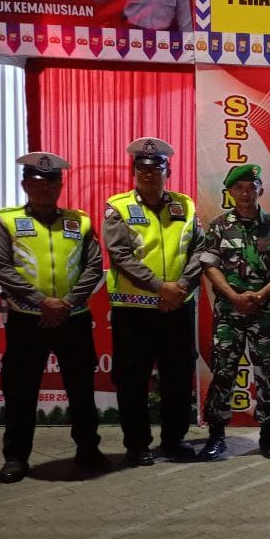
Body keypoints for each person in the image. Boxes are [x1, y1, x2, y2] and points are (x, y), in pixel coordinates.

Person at [0, 153, 108, 483]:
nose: (45, 188)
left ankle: (88, 449)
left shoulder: (79, 221)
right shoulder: (6, 221)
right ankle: (16, 457)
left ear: (60, 185)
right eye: (37, 182)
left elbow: (94, 266)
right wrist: (43, 302)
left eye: (52, 182)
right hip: (28, 320)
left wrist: (66, 303)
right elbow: (2, 268)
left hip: (74, 318)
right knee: (21, 391)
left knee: (81, 389)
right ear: (25, 184)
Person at [104, 137, 204, 465]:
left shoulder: (186, 206)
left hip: (177, 307)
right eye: (142, 168)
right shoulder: (118, 206)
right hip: (134, 310)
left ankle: (174, 440)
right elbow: (120, 255)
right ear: (134, 172)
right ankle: (137, 445)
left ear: (168, 172)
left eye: (156, 168)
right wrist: (161, 287)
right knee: (132, 380)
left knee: (178, 377)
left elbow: (200, 250)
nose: (149, 174)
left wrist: (181, 287)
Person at [198, 165, 270, 462]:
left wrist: (262, 294)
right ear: (230, 193)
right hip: (229, 312)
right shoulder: (218, 226)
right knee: (224, 371)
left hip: (265, 312)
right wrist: (234, 296)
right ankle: (216, 436)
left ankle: (268, 435)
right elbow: (209, 265)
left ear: (261, 189)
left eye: (252, 187)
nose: (246, 193)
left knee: (267, 373)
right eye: (239, 188)